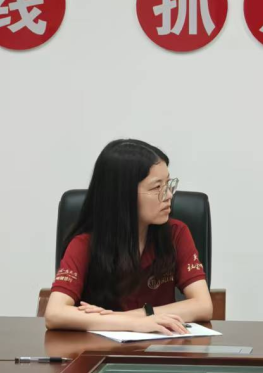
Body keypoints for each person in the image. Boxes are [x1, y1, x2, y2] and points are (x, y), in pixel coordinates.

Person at [44, 139, 212, 333]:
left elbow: (203, 305)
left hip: (161, 345)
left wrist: (130, 317)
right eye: (157, 188)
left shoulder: (176, 233)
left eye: (168, 184)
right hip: (98, 348)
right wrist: (134, 324)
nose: (169, 196)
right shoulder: (85, 243)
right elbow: (54, 313)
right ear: (123, 195)